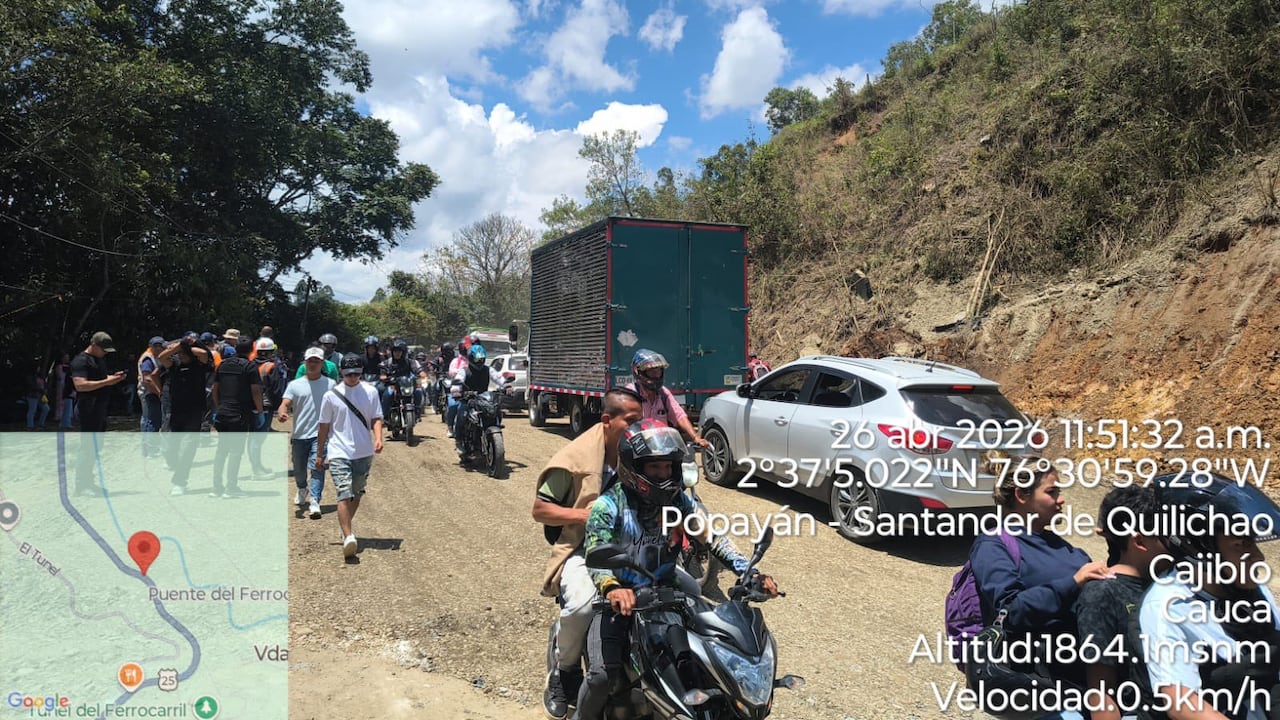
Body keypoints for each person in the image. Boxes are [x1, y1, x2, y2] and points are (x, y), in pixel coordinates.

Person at [574, 421, 777, 720]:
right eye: (655, 468)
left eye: (668, 468)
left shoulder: (677, 499)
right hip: (618, 597)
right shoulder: (608, 505)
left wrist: (748, 571)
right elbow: (595, 551)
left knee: (702, 658)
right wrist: (611, 587)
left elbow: (711, 536)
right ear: (634, 467)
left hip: (665, 589)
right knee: (602, 677)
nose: (664, 475)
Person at [534, 388, 644, 719]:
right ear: (607, 420)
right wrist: (588, 516)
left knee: (687, 593)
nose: (640, 427)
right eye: (632, 420)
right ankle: (564, 671)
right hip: (583, 547)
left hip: (633, 544)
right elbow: (540, 510)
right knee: (582, 606)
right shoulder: (574, 458)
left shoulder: (638, 449)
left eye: (642, 419)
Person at [970, 458, 1110, 718]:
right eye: (1051, 492)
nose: (1061, 500)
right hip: (1043, 688)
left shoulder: (1063, 547)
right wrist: (1073, 583)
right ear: (1022, 494)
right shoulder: (994, 545)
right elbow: (1011, 611)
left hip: (1087, 680)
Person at [1131, 475, 1280, 720]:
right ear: (1200, 546)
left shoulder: (1253, 590)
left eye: (1253, 544)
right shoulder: (1168, 607)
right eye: (1241, 545)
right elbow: (1181, 702)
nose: (1259, 557)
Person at [1074, 486, 1167, 720]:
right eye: (1166, 536)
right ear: (1140, 541)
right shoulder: (1103, 593)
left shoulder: (1168, 585)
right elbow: (1101, 693)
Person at [315, 353, 383, 560]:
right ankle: (348, 535)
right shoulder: (331, 395)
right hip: (339, 451)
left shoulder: (371, 392)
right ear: (342, 372)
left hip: (363, 451)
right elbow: (324, 426)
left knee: (357, 491)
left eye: (356, 373)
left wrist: (378, 438)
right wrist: (320, 453)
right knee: (344, 493)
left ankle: (346, 526)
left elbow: (376, 417)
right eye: (348, 373)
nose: (352, 377)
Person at [279, 347, 335, 519]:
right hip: (299, 434)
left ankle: (315, 501)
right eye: (310, 360)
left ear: (322, 363)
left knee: (317, 466)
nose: (313, 363)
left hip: (320, 435)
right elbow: (285, 403)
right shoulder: (295, 385)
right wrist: (282, 411)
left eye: (316, 360)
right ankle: (302, 488)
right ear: (305, 362)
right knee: (299, 470)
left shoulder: (331, 385)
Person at [69, 332, 127, 494]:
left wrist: (113, 378)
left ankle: (88, 481)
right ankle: (81, 485)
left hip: (99, 409)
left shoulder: (99, 359)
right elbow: (80, 385)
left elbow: (100, 378)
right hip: (88, 409)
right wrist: (107, 381)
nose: (106, 353)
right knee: (88, 447)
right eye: (104, 349)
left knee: (95, 446)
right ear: (93, 345)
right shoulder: (81, 361)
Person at [158, 333, 212, 495]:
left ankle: (180, 481)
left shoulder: (199, 364)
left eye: (182, 353)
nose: (179, 355)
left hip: (194, 410)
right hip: (176, 410)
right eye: (178, 353)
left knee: (188, 446)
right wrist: (180, 345)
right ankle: (176, 469)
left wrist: (185, 347)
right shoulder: (173, 364)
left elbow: (203, 354)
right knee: (171, 446)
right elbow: (162, 357)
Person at [209, 338, 263, 498]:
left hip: (223, 413)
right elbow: (256, 390)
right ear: (251, 350)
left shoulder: (223, 365)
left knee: (221, 451)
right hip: (239, 414)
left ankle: (216, 487)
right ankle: (231, 487)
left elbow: (215, 388)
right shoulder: (250, 367)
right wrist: (259, 410)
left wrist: (218, 407)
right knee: (235, 452)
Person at [625, 349, 708, 448]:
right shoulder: (631, 393)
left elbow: (679, 415)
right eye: (651, 372)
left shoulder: (663, 393)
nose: (656, 375)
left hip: (661, 446)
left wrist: (695, 437)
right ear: (638, 372)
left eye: (658, 371)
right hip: (638, 447)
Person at [448, 343, 507, 457]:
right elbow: (457, 381)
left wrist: (507, 386)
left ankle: (495, 432)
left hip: (484, 399)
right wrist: (456, 391)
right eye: (477, 359)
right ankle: (459, 441)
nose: (479, 362)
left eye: (481, 359)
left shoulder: (488, 370)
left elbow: (499, 378)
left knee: (496, 411)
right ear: (470, 358)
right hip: (468, 399)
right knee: (461, 414)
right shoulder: (464, 371)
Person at [379, 339, 428, 420]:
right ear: (392, 352)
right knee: (388, 394)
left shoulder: (410, 362)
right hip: (393, 385)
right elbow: (382, 373)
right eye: (395, 351)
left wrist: (422, 374)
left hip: (407, 385)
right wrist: (384, 376)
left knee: (419, 391)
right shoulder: (387, 362)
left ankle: (417, 411)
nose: (397, 353)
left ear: (403, 352)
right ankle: (385, 415)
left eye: (399, 351)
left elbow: (418, 370)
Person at [444, 341, 470, 439]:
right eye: (465, 348)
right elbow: (452, 373)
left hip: (471, 388)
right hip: (458, 389)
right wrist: (463, 371)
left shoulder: (473, 359)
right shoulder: (456, 361)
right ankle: (450, 427)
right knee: (453, 406)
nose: (466, 350)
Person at [54, 353, 76, 429]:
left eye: (68, 357)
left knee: (68, 406)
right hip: (62, 388)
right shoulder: (59, 367)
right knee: (62, 405)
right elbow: (60, 377)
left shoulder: (70, 367)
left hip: (68, 387)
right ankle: (63, 422)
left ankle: (66, 422)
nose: (67, 359)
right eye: (65, 357)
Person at [25, 363, 50, 430]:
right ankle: (30, 426)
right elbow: (31, 386)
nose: (39, 369)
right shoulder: (30, 377)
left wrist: (45, 389)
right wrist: (40, 390)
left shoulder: (40, 376)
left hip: (40, 396)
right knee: (32, 410)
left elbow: (44, 384)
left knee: (46, 408)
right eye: (38, 367)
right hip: (32, 395)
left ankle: (41, 424)